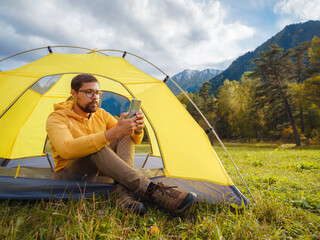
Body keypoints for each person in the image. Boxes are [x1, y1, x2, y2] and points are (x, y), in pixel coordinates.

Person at [46, 73, 196, 216]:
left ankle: (122, 194)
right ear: (74, 93)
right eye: (89, 92)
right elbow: (66, 149)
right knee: (96, 148)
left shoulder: (101, 114)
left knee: (123, 135)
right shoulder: (57, 117)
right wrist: (112, 133)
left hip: (102, 170)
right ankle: (153, 191)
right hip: (71, 175)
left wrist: (135, 129)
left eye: (98, 93)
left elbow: (132, 139)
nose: (95, 97)